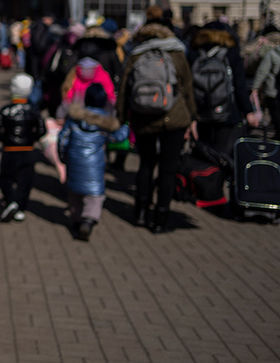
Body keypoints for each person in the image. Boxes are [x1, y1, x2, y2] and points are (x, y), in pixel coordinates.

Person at [116, 21, 197, 234]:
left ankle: (140, 213)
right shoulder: (177, 53)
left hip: (143, 117)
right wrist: (192, 116)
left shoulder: (136, 54)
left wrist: (122, 116)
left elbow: (124, 88)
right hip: (175, 116)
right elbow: (187, 86)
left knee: (145, 164)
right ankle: (161, 218)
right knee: (167, 170)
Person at [58, 84, 129, 241]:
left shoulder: (74, 120)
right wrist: (125, 124)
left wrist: (63, 157)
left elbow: (62, 139)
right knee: (94, 196)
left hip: (74, 162)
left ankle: (76, 219)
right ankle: (88, 220)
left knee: (74, 192)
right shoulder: (105, 123)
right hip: (95, 165)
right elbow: (118, 137)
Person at [189, 21, 258, 156]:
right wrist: (248, 111)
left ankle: (206, 169)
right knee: (223, 154)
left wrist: (190, 116)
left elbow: (187, 86)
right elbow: (239, 85)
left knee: (204, 153)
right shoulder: (231, 53)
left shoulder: (194, 53)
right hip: (228, 111)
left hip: (201, 110)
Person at [0, 73, 46, 222]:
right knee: (25, 181)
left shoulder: (6, 110)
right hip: (28, 151)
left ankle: (11, 200)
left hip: (10, 151)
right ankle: (20, 208)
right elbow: (42, 130)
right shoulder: (33, 110)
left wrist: (6, 140)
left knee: (6, 177)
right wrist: (31, 140)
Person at [252, 41, 280, 133]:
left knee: (276, 116)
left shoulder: (272, 54)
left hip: (272, 91)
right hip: (275, 91)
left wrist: (255, 87)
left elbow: (262, 72)